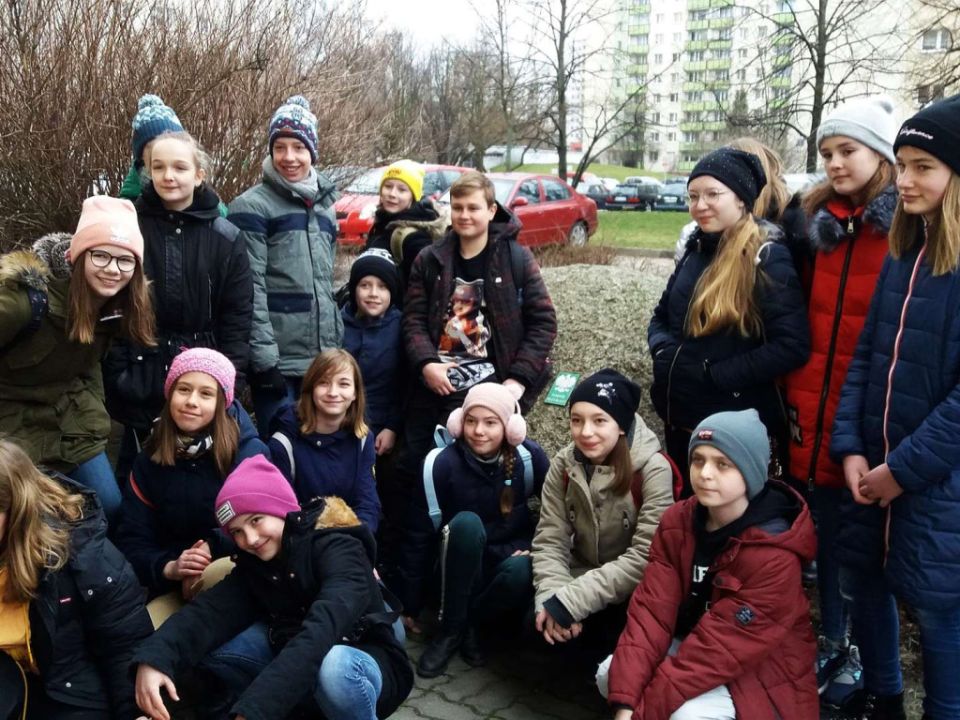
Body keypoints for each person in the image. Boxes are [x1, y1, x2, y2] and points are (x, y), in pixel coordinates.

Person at [830, 94, 960, 720]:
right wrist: (851, 447)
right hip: (873, 467)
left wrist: (900, 471)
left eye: (923, 167)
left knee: (938, 611)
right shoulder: (903, 255)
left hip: (936, 486)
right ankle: (882, 698)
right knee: (866, 582)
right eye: (902, 164)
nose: (904, 179)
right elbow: (865, 357)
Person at [131, 455, 414, 720]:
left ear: (280, 510)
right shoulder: (256, 564)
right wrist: (155, 659)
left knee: (334, 668)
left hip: (362, 660)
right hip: (294, 655)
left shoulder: (338, 547)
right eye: (237, 532)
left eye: (256, 520)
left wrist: (255, 711)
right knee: (212, 644)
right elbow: (208, 613)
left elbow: (319, 634)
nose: (251, 539)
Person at [783, 95, 898, 708]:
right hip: (812, 401)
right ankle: (832, 639)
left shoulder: (904, 230)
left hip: (869, 411)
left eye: (847, 150)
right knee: (824, 530)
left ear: (880, 155)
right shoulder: (818, 226)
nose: (834, 163)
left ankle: (862, 655)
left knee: (861, 544)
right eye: (826, 152)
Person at [601, 410, 818, 720]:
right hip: (694, 645)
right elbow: (651, 614)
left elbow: (716, 651)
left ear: (751, 471)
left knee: (687, 715)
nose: (704, 473)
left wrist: (641, 715)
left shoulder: (774, 554)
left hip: (761, 671)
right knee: (611, 676)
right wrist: (625, 705)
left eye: (722, 464)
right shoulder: (678, 521)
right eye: (698, 460)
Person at [649, 147, 810, 493]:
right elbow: (661, 315)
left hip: (729, 428)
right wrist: (662, 352)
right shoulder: (696, 248)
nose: (700, 205)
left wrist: (716, 375)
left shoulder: (766, 255)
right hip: (680, 419)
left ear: (741, 199)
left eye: (712, 194)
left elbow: (791, 345)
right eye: (693, 196)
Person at [104, 130, 252, 480]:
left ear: (199, 175)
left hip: (201, 374)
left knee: (198, 478)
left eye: (179, 167)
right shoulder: (130, 229)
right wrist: (119, 373)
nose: (168, 176)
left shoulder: (226, 237)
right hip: (140, 372)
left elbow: (237, 316)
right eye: (159, 167)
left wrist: (230, 378)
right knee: (138, 476)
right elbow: (111, 305)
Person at [0, 197, 155, 523]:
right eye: (101, 255)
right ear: (77, 255)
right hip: (10, 427)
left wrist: (91, 416)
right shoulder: (26, 301)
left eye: (125, 260)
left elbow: (88, 364)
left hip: (69, 424)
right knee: (29, 523)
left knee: (107, 508)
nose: (112, 269)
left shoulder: (117, 306)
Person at [401, 170, 557, 480]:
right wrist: (426, 363)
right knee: (412, 467)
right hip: (436, 380)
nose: (464, 215)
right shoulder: (430, 259)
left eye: (473, 208)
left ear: (491, 210)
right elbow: (413, 320)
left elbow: (544, 321)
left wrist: (517, 379)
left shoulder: (516, 259)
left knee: (469, 471)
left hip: (490, 382)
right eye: (457, 207)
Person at [390, 383, 550, 678]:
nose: (478, 431)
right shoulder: (440, 464)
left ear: (510, 427)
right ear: (459, 422)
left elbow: (556, 516)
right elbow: (418, 536)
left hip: (502, 562)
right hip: (454, 567)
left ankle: (472, 624)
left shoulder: (529, 458)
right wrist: (409, 604)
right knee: (466, 523)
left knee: (523, 569)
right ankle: (450, 631)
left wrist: (533, 546)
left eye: (490, 423)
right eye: (471, 421)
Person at [0, 439, 153, 720]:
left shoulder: (81, 550)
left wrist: (134, 712)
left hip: (66, 688)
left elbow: (123, 644)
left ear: (16, 509)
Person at [531, 369, 674, 668]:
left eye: (599, 421)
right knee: (537, 624)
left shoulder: (653, 470)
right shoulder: (564, 464)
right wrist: (554, 597)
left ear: (621, 425)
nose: (585, 432)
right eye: (577, 420)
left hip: (628, 591)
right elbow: (550, 538)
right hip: (578, 574)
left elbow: (646, 557)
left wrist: (572, 601)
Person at [115, 348, 267, 619]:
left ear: (221, 402)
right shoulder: (149, 459)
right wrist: (170, 567)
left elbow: (268, 525)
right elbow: (133, 539)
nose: (191, 402)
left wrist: (210, 549)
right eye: (183, 389)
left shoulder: (249, 453)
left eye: (206, 394)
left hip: (239, 572)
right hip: (174, 582)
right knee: (145, 630)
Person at [228, 95, 342, 434]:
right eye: (280, 147)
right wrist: (264, 362)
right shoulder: (251, 207)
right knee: (281, 444)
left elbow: (324, 284)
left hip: (321, 360)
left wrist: (335, 349)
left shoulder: (325, 208)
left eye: (298, 147)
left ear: (313, 152)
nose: (289, 157)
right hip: (278, 361)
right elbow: (250, 288)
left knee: (319, 446)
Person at [267, 349, 380, 531]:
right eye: (323, 383)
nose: (333, 392)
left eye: (343, 384)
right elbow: (283, 512)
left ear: (355, 393)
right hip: (301, 537)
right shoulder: (283, 444)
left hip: (350, 538)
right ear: (311, 389)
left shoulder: (362, 439)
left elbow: (367, 503)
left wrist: (358, 538)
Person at [341, 249, 404, 458]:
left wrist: (392, 427)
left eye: (382, 286)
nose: (373, 293)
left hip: (381, 429)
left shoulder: (402, 327)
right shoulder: (337, 324)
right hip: (340, 423)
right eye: (365, 285)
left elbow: (404, 385)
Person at [363, 159, 445, 285]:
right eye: (388, 186)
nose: (392, 194)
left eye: (402, 190)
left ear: (413, 196)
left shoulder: (415, 237)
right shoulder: (383, 221)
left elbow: (423, 285)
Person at [119, 94, 185, 203]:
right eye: (153, 147)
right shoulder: (131, 198)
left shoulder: (193, 183)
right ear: (142, 157)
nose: (163, 151)